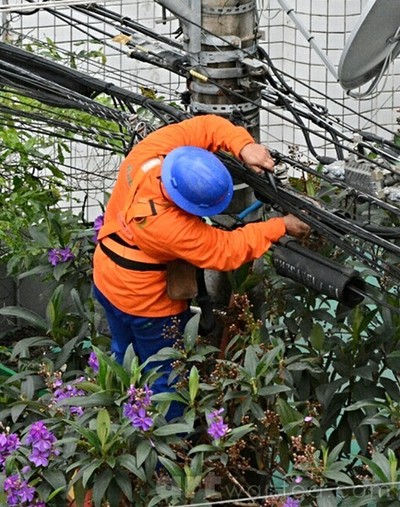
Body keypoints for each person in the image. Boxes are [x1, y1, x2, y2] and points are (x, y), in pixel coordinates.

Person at [92, 114, 310, 419]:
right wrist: (281, 226)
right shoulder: (167, 227)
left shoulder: (152, 151)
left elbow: (205, 126)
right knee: (165, 374)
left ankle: (120, 410)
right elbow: (227, 249)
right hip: (145, 303)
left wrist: (244, 146)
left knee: (123, 353)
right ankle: (169, 446)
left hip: (105, 276)